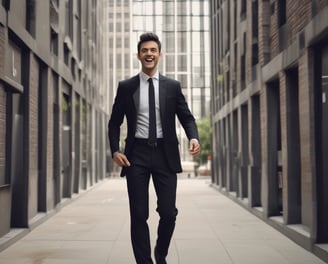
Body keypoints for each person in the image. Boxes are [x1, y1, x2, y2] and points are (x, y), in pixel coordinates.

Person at [108, 32, 200, 264]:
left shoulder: (172, 86)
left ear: (159, 54)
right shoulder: (126, 86)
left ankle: (161, 251)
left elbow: (186, 117)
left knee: (168, 213)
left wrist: (193, 137)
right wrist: (115, 150)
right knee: (139, 215)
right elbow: (114, 122)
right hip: (135, 155)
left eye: (153, 50)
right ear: (138, 55)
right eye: (144, 50)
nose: (149, 54)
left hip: (165, 154)